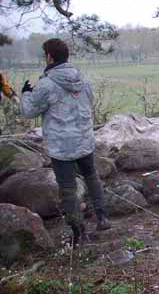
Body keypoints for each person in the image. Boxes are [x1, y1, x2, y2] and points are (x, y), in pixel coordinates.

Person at [19, 38, 111, 245]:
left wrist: (25, 93)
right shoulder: (84, 79)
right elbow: (89, 103)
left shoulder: (46, 84)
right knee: (91, 176)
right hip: (85, 139)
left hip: (61, 147)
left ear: (49, 56)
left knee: (68, 189)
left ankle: (78, 232)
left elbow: (28, 111)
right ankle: (103, 217)